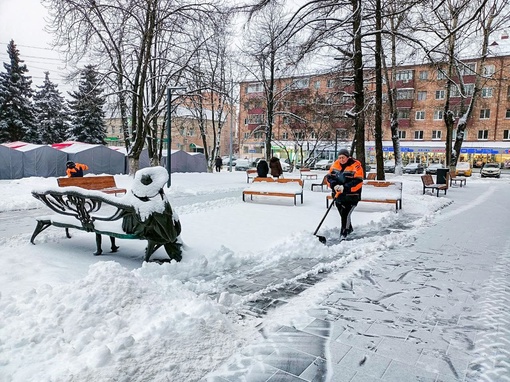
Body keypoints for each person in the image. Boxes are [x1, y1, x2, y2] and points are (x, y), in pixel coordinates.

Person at [326, 149, 364, 240]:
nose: (341, 159)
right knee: (343, 215)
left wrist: (345, 187)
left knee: (345, 214)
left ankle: (344, 233)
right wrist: (334, 185)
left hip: (352, 196)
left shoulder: (356, 166)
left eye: (343, 157)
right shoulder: (335, 165)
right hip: (338, 196)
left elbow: (358, 181)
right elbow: (329, 178)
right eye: (339, 158)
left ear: (348, 157)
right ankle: (349, 229)